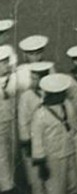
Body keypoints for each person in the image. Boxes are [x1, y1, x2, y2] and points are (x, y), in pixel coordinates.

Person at [32, 73, 77, 194]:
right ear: (52, 95)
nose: (64, 95)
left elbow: (74, 126)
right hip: (53, 157)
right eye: (61, 93)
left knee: (74, 186)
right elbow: (37, 141)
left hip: (70, 151)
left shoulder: (67, 105)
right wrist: (41, 164)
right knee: (56, 189)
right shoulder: (40, 114)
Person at [19, 61, 52, 194]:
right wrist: (26, 142)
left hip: (50, 142)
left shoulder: (51, 94)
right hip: (33, 143)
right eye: (32, 78)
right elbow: (23, 122)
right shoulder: (26, 96)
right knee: (36, 181)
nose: (33, 81)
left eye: (36, 78)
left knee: (51, 180)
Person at [0, 46, 17, 193]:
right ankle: (7, 188)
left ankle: (9, 183)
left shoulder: (11, 79)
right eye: (3, 63)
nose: (7, 65)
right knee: (2, 157)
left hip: (10, 121)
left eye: (7, 62)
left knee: (11, 153)